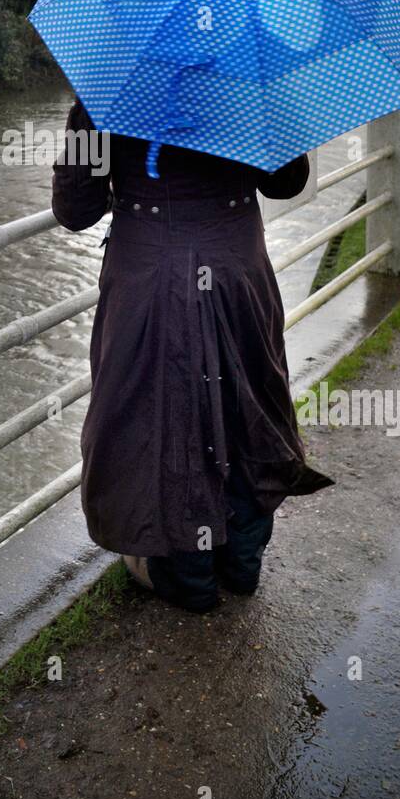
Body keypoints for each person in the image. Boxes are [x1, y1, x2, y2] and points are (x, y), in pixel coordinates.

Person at [51, 96, 334, 614]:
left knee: (158, 416)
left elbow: (75, 211)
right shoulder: (247, 71)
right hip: (236, 269)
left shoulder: (110, 80)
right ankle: (241, 560)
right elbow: (286, 182)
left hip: (150, 277)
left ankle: (185, 576)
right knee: (247, 402)